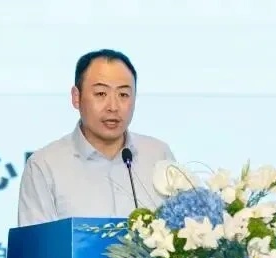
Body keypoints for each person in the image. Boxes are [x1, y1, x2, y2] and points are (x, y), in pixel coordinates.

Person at [17, 49, 176, 227]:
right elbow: (36, 243)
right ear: (76, 98)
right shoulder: (45, 166)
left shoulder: (158, 156)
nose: (113, 107)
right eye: (101, 94)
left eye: (123, 95)